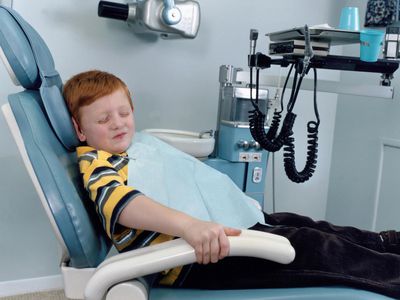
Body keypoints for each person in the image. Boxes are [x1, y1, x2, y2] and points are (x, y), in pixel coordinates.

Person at [63, 70, 400, 298]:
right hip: (195, 256)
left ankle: (387, 242)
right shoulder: (97, 163)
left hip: (226, 224)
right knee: (314, 246)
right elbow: (122, 204)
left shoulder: (139, 144)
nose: (119, 124)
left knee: (309, 225)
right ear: (81, 131)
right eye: (104, 119)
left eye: (124, 113)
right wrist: (190, 226)